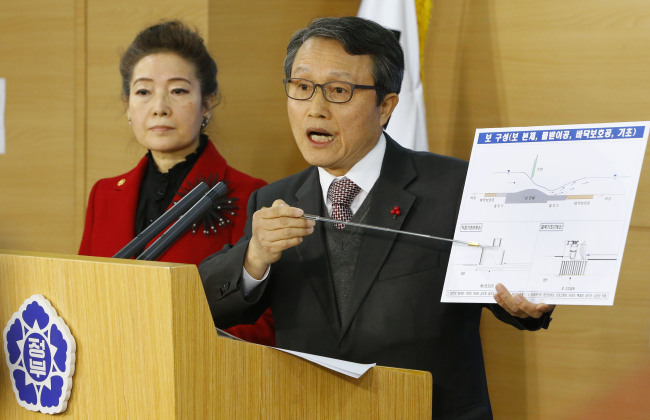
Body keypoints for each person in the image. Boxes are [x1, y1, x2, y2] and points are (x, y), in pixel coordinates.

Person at [198, 16, 554, 419]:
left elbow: (515, 294)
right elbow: (211, 309)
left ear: (385, 106)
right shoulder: (274, 199)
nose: (315, 109)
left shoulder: (456, 186)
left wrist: (531, 298)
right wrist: (254, 257)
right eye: (301, 88)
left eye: (338, 91)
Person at [79, 20, 275, 346]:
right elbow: (82, 293)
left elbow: (262, 325)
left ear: (208, 102)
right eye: (143, 91)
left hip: (197, 376)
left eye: (178, 91)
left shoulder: (250, 193)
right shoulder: (104, 194)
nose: (159, 108)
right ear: (127, 105)